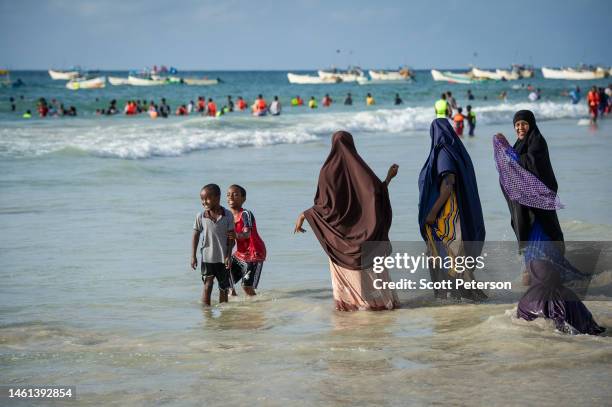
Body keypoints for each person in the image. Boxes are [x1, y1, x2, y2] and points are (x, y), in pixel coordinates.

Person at [493, 114, 604, 335]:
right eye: (516, 125)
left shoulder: (537, 142)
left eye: (524, 123)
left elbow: (533, 165)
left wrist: (511, 155)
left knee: (542, 256)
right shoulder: (519, 144)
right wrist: (508, 152)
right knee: (536, 261)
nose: (520, 128)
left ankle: (550, 307)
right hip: (527, 212)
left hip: (539, 213)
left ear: (531, 124)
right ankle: (544, 302)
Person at [294, 131, 400, 311]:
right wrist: (388, 178)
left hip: (340, 240)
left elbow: (323, 207)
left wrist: (304, 215)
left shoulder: (326, 172)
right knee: (372, 271)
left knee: (348, 274)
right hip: (367, 236)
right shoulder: (362, 169)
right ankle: (380, 303)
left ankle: (351, 306)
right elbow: (375, 194)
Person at [418, 119, 486, 300]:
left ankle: (454, 296)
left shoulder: (443, 153)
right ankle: (462, 292)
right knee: (456, 255)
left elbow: (448, 184)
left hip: (447, 214)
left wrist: (432, 213)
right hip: (456, 212)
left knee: (449, 254)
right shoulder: (457, 152)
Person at [190, 184, 235, 306]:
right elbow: (195, 235)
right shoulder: (201, 216)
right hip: (207, 258)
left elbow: (231, 238)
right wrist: (193, 256)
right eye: (202, 199)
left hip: (223, 258)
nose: (204, 202)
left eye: (207, 199)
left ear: (217, 198)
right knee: (207, 284)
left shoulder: (228, 215)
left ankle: (224, 312)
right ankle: (206, 313)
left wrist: (229, 256)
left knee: (223, 288)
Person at [226, 185, 267, 296]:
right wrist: (227, 256)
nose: (231, 197)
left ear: (243, 198)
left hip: (255, 253)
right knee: (226, 280)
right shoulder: (228, 216)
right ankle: (235, 305)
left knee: (246, 286)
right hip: (240, 254)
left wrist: (235, 235)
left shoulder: (246, 214)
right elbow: (231, 240)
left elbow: (247, 233)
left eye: (235, 195)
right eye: (228, 195)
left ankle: (255, 309)